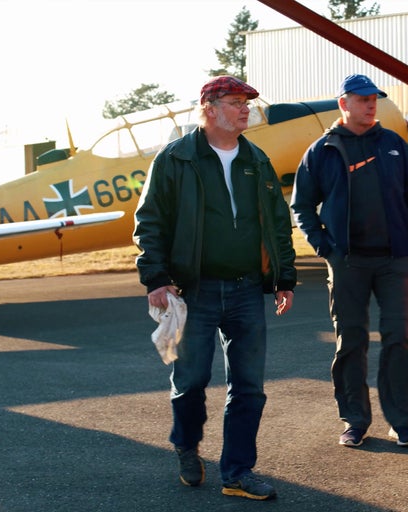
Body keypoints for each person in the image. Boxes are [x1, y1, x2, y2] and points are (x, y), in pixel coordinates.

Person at [133, 75, 296, 501]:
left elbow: (278, 222)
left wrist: (284, 277)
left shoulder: (256, 160)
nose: (245, 109)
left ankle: (237, 473)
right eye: (236, 102)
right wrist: (156, 277)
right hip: (194, 291)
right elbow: (149, 221)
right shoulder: (175, 159)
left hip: (245, 290)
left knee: (249, 387)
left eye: (247, 102)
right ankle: (186, 446)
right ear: (210, 107)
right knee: (190, 381)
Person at [290, 74, 408, 448]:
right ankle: (355, 421)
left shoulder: (393, 145)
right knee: (351, 342)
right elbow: (302, 206)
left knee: (400, 338)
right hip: (348, 263)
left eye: (374, 98)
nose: (371, 104)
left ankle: (400, 421)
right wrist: (325, 247)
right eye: (362, 99)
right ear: (344, 104)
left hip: (393, 260)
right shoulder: (322, 149)